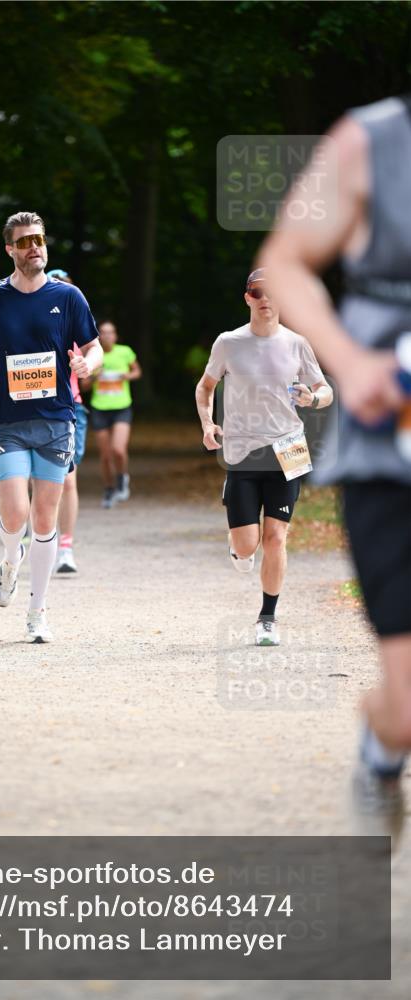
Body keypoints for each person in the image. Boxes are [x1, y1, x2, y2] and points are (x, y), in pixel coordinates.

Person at [258, 96, 411, 822]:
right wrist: (349, 364)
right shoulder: (369, 139)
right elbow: (282, 262)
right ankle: (383, 752)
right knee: (405, 710)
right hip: (390, 453)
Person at [0, 211, 103, 643]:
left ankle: (37, 613)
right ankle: (9, 558)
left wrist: (86, 364)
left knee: (44, 519)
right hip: (7, 420)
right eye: (23, 242)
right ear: (10, 250)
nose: (33, 247)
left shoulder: (68, 297)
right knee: (15, 515)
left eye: (38, 239)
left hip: (57, 419)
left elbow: (93, 348)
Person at [195, 269, 333, 646]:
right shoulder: (229, 343)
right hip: (241, 452)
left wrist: (314, 398)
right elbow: (205, 387)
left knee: (276, 539)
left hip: (288, 449)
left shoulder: (297, 343)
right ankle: (238, 547)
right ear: (248, 298)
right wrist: (208, 425)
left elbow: (325, 390)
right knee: (247, 546)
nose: (265, 299)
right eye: (258, 292)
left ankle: (267, 618)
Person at [46, 269, 90, 575]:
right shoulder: (34, 321)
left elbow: (94, 355)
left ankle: (65, 547)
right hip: (35, 409)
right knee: (41, 478)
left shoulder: (79, 324)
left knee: (67, 478)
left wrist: (85, 363)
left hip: (71, 407)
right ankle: (41, 535)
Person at [88, 320, 142, 509]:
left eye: (110, 332)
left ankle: (122, 478)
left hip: (121, 407)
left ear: (115, 335)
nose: (107, 336)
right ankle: (109, 488)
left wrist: (127, 376)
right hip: (100, 408)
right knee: (105, 455)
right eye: (103, 332)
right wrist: (94, 376)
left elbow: (137, 371)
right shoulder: (94, 355)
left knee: (118, 449)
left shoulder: (124, 351)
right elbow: (83, 385)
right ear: (99, 336)